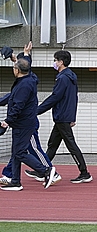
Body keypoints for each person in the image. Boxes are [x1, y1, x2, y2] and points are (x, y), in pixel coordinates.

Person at [0, 58, 58, 191]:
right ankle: (15, 181)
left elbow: (18, 105)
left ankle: (45, 171)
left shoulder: (24, 84)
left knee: (20, 153)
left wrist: (7, 121)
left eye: (14, 68)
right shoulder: (28, 80)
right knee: (16, 152)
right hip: (23, 123)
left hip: (23, 123)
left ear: (17, 70)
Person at [36, 50, 88, 183]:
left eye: (55, 60)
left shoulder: (63, 78)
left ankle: (84, 173)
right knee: (53, 144)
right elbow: (73, 98)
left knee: (71, 145)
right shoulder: (71, 77)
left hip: (61, 116)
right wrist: (72, 116)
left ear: (61, 62)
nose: (54, 63)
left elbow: (55, 97)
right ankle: (42, 169)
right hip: (64, 115)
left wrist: (37, 110)